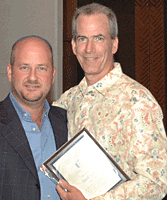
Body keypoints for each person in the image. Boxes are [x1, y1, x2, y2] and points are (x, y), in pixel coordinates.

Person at [53, 3, 167, 200]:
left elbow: (156, 183)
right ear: (73, 46)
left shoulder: (137, 101)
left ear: (114, 44)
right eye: (82, 39)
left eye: (99, 38)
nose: (89, 48)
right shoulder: (67, 101)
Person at [0, 35, 68, 199]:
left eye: (41, 68)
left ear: (53, 74)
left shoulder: (67, 122)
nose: (33, 77)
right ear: (10, 72)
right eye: (24, 68)